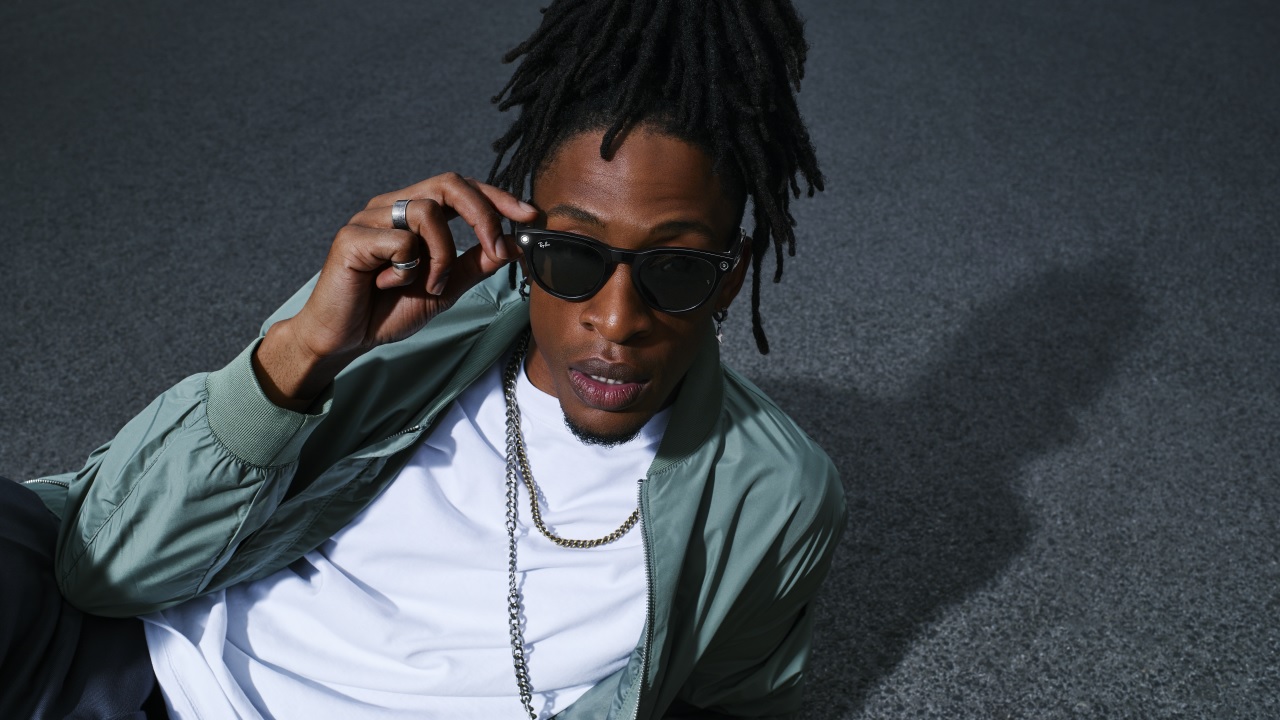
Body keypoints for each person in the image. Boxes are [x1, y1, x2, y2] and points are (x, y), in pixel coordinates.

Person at [3, 0, 846, 717]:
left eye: (676, 269)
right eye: (573, 256)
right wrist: (302, 352)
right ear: (523, 239)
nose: (617, 319)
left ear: (732, 275)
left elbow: (731, 704)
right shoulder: (401, 311)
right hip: (134, 660)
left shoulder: (773, 496)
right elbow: (102, 574)